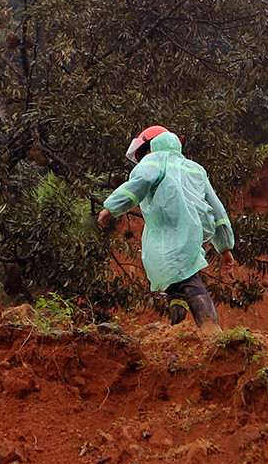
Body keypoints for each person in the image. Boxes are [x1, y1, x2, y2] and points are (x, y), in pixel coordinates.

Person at [97, 126, 238, 329]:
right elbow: (217, 209)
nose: (143, 158)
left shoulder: (153, 161)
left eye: (143, 153)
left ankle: (211, 329)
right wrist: (225, 247)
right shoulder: (196, 169)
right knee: (177, 276)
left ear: (150, 146)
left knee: (186, 279)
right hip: (194, 232)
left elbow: (140, 183)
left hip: (167, 233)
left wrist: (111, 208)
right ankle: (176, 321)